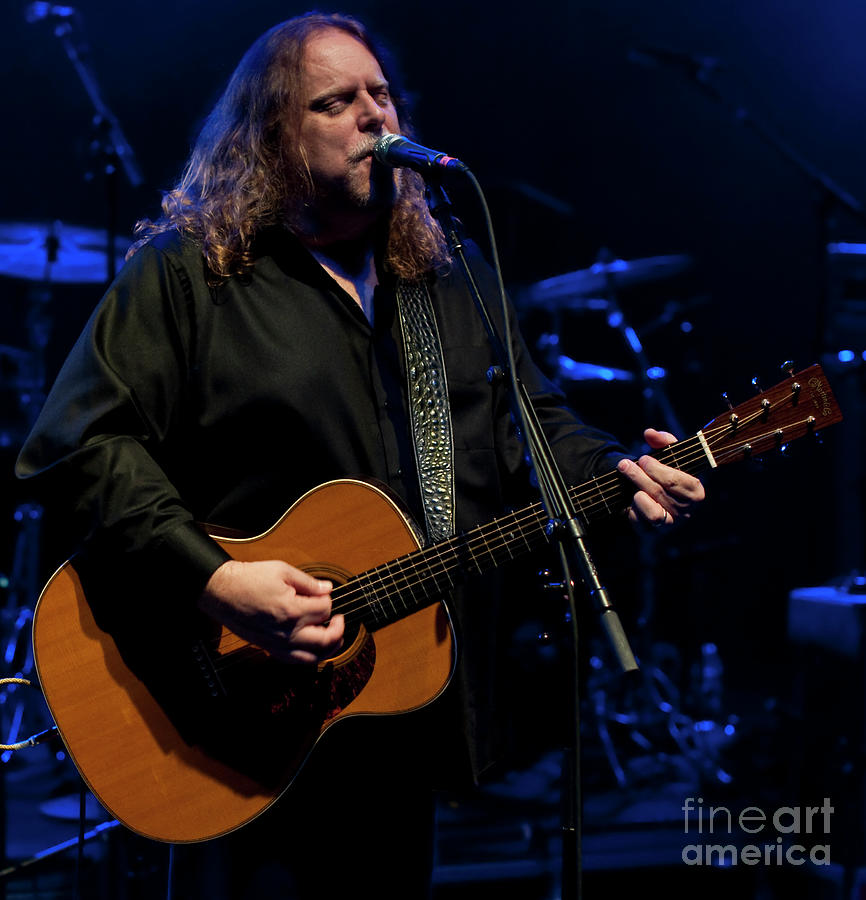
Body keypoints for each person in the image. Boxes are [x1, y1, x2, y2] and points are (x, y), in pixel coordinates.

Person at [15, 12, 704, 898]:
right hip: (226, 714)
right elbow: (75, 446)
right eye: (336, 102)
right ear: (271, 140)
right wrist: (214, 579)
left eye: (381, 93)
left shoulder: (443, 276)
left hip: (393, 710)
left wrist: (612, 469)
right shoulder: (192, 273)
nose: (374, 116)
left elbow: (531, 422)